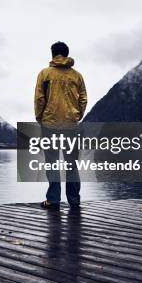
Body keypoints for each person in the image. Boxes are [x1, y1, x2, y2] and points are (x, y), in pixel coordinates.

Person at [34, 41, 87, 209]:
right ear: (66, 54)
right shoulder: (76, 75)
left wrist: (39, 117)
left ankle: (53, 200)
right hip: (71, 125)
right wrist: (77, 115)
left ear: (53, 54)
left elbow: (39, 98)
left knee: (52, 163)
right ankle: (74, 200)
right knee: (72, 164)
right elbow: (83, 99)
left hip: (50, 124)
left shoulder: (45, 74)